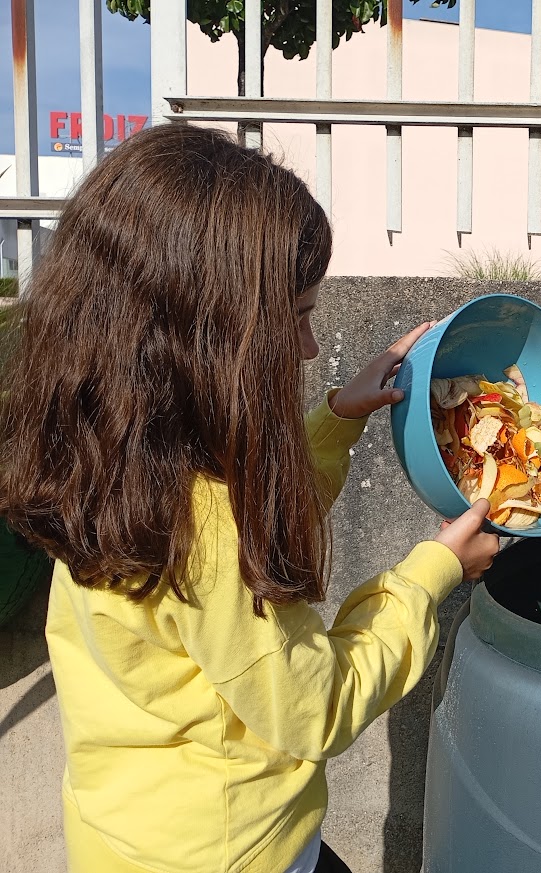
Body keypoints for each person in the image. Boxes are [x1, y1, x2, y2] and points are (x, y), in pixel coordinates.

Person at [0, 123, 499, 873]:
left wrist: (336, 419)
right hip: (234, 851)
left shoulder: (107, 459)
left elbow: (250, 522)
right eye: (294, 317)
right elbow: (315, 706)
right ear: (207, 338)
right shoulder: (201, 526)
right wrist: (431, 572)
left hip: (130, 832)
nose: (307, 348)